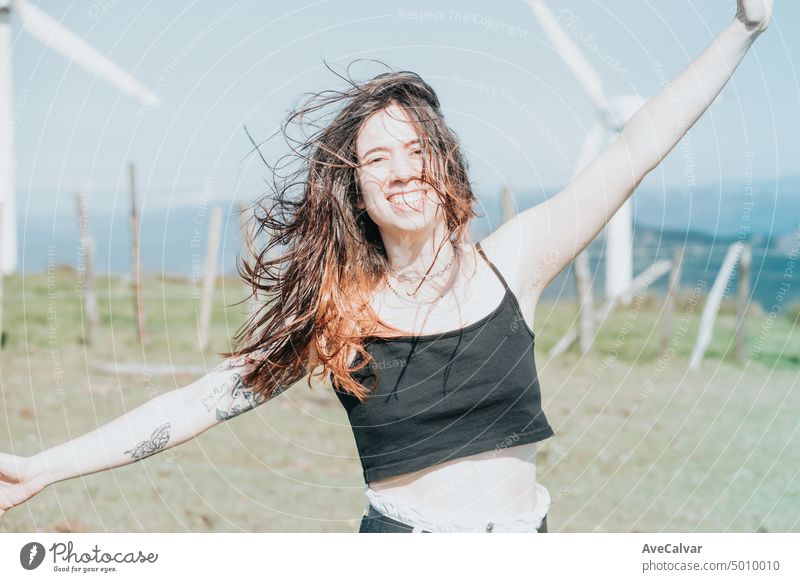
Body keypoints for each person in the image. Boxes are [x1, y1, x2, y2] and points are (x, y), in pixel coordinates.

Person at [0, 0, 773, 533]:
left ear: (445, 165)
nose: (402, 170)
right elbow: (201, 402)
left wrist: (742, 28)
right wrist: (43, 466)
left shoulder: (517, 263)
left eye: (417, 149)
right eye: (378, 158)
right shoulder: (341, 314)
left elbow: (634, 150)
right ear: (358, 192)